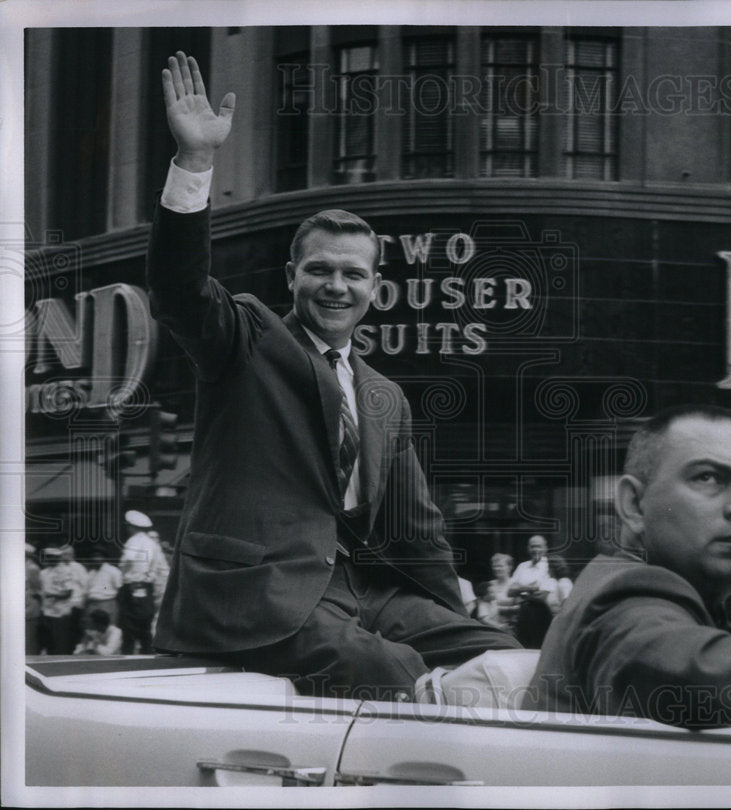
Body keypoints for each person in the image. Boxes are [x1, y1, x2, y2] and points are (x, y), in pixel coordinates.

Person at [147, 52, 517, 699]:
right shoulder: (248, 337)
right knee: (388, 670)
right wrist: (195, 162)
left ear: (376, 286)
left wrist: (459, 619)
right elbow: (179, 291)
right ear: (292, 277)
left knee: (504, 656)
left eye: (352, 273)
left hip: (355, 593)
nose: (335, 285)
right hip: (253, 599)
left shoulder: (384, 396)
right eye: (319, 269)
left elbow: (416, 528)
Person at [524, 405, 731, 728]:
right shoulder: (624, 600)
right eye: (708, 477)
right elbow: (687, 665)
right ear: (633, 504)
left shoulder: (643, 588)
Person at [119, 510, 170, 654]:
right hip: (145, 588)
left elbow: (137, 565)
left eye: (128, 526)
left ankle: (128, 662)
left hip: (135, 588)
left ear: (132, 526)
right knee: (144, 630)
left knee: (129, 631)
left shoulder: (135, 542)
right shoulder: (151, 544)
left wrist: (135, 586)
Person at [508, 535, 558, 647]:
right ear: (528, 548)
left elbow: (543, 595)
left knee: (539, 647)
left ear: (546, 548)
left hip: (541, 612)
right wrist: (529, 588)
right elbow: (510, 591)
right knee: (522, 646)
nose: (535, 550)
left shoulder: (549, 566)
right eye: (532, 546)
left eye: (539, 546)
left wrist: (520, 589)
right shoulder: (522, 566)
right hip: (523, 612)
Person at [39, 547, 84, 654]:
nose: (50, 560)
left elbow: (68, 592)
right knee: (49, 643)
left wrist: (52, 595)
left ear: (58, 558)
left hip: (61, 613)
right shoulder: (44, 572)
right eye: (49, 557)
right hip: (47, 612)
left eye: (54, 557)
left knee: (61, 643)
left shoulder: (66, 571)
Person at [84, 556, 123, 628]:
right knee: (92, 630)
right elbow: (86, 591)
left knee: (108, 629)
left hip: (107, 604)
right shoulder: (91, 573)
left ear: (103, 557)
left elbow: (120, 589)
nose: (95, 558)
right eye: (94, 556)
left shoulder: (113, 571)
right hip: (92, 605)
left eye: (98, 556)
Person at [25, 543, 43, 655]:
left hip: (31, 604)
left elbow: (38, 588)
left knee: (30, 636)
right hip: (23, 603)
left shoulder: (32, 568)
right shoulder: (24, 566)